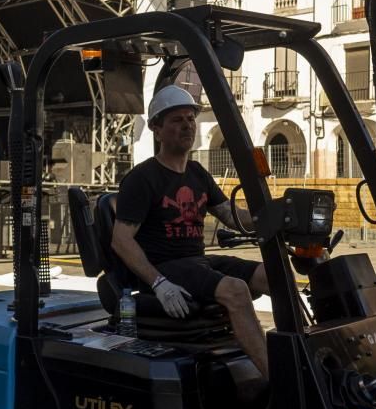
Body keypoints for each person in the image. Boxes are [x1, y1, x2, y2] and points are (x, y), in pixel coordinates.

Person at [110, 85, 270, 374]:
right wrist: (159, 283)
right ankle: (282, 385)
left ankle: (304, 358)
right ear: (157, 129)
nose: (187, 125)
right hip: (166, 268)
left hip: (198, 263)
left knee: (272, 276)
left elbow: (232, 217)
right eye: (177, 120)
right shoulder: (142, 178)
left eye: (190, 119)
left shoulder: (197, 173)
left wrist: (276, 218)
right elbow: (121, 241)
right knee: (236, 290)